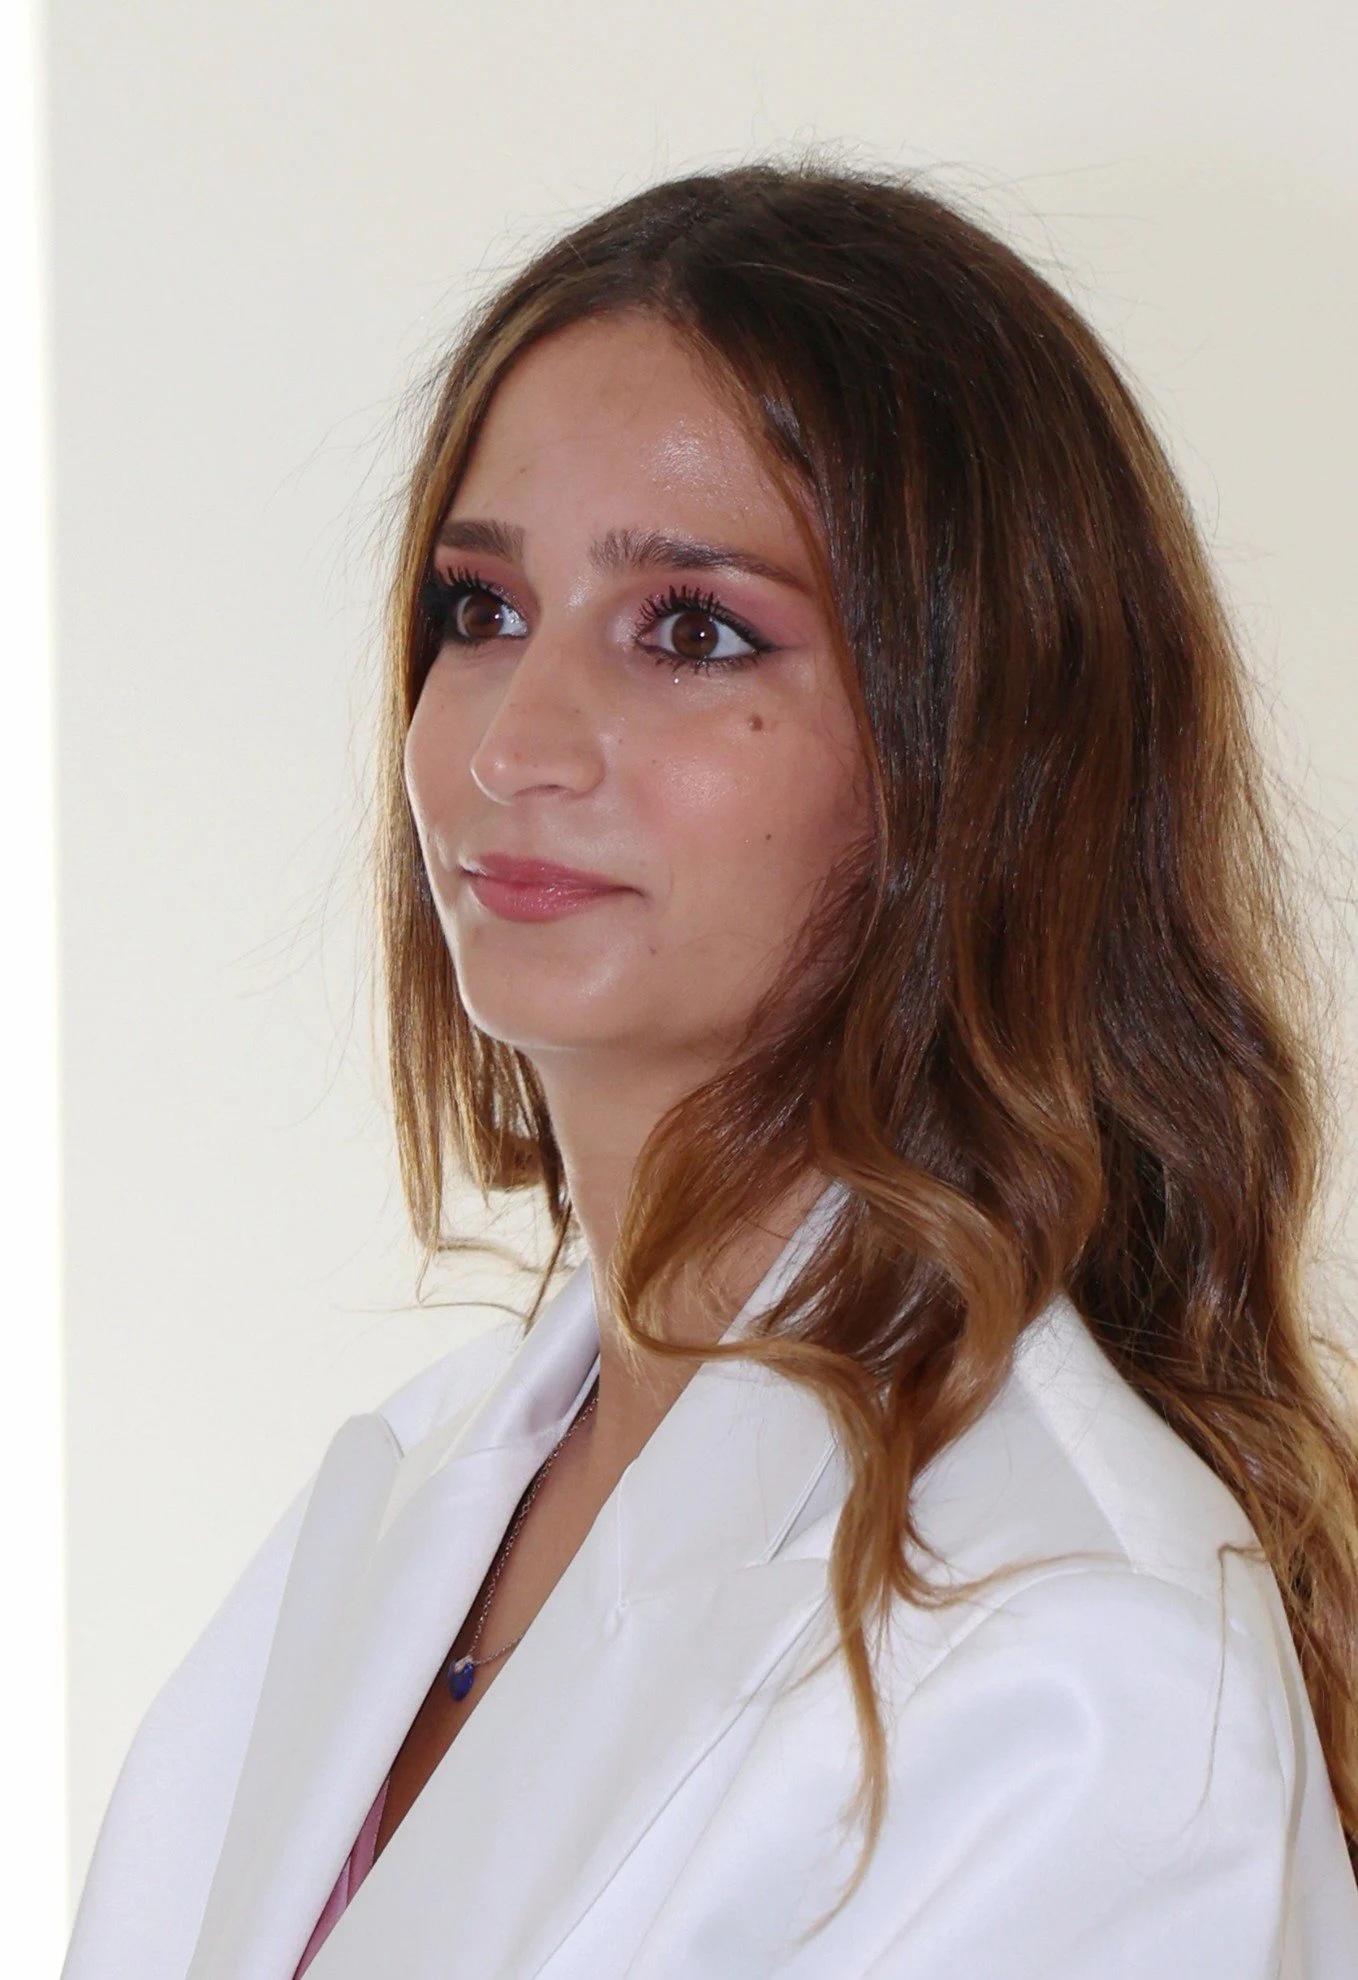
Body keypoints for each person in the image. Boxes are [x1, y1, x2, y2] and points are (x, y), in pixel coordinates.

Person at [63, 158, 1358, 1979]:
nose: (514, 744)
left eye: (690, 630)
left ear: (978, 753)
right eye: (479, 610)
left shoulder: (1086, 1672)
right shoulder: (411, 1491)